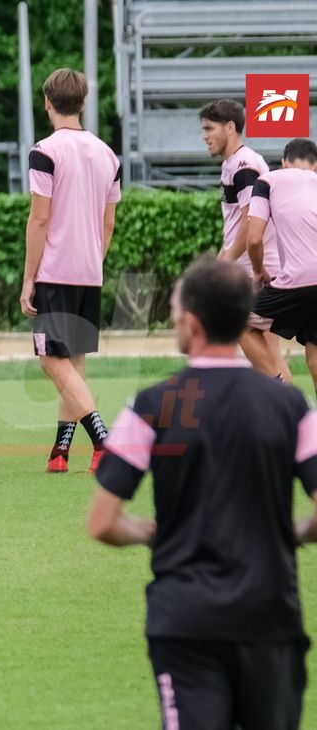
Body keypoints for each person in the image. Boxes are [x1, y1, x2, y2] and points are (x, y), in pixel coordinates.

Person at [90, 257, 315, 729]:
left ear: (190, 323)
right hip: (269, 617)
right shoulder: (290, 404)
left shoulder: (151, 404)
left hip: (184, 620)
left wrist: (156, 532)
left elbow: (103, 521)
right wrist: (288, 530)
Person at [20, 68, 117, 474]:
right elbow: (108, 223)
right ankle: (61, 451)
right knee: (72, 361)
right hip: (88, 271)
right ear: (83, 102)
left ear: (47, 102)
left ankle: (104, 439)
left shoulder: (45, 150)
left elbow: (39, 219)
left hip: (56, 270)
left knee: (50, 360)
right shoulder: (107, 153)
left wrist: (29, 279)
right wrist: (94, 257)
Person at [199, 98, 289, 380]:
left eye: (209, 129)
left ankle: (280, 400)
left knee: (235, 323)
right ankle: (295, 414)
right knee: (269, 351)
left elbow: (251, 221)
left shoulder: (244, 165)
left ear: (230, 127)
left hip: (255, 268)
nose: (205, 136)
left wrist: (225, 261)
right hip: (252, 266)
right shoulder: (234, 164)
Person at [248, 138, 317, 395]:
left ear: (284, 162)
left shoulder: (268, 181)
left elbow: (254, 239)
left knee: (239, 321)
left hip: (296, 280)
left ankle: (278, 392)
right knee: (314, 350)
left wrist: (259, 273)